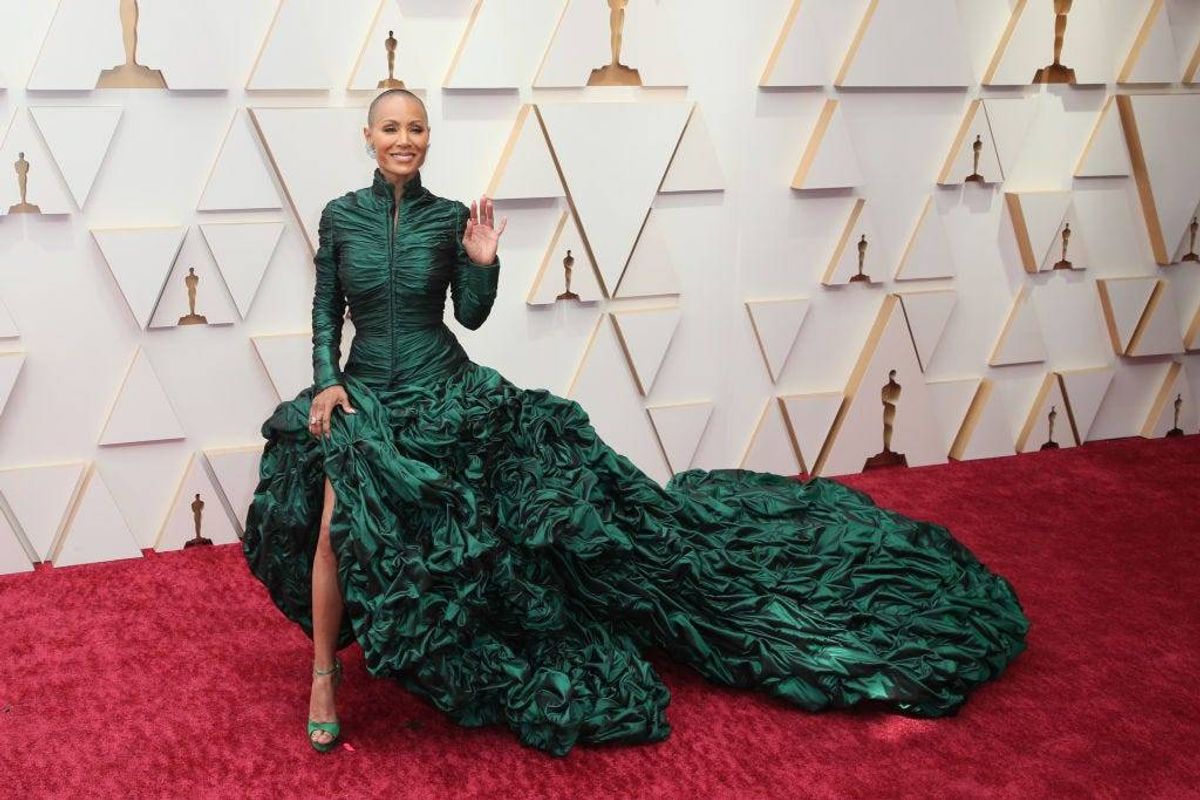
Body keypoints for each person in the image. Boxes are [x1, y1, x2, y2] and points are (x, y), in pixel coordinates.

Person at [241, 88, 1029, 757]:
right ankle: (324, 675)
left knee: (494, 524)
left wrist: (481, 261)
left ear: (427, 138)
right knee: (336, 523)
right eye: (391, 127)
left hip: (448, 388)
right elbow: (325, 308)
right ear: (368, 137)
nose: (404, 139)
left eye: (416, 128)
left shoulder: (451, 216)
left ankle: (483, 631)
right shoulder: (340, 215)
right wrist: (325, 383)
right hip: (366, 399)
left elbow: (472, 319)